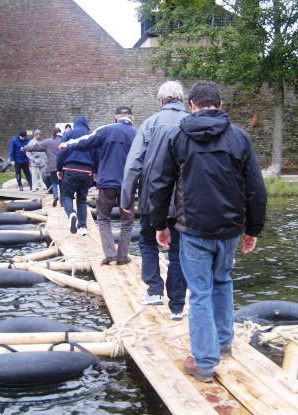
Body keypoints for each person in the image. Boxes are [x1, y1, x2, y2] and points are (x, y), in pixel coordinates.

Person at [148, 81, 267, 382]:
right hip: (229, 231)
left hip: (193, 230)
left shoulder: (179, 138)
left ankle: (203, 361)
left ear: (192, 105)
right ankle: (224, 343)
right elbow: (256, 189)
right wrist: (252, 229)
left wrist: (159, 225)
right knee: (223, 281)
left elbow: (160, 185)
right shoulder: (239, 138)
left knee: (200, 293)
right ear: (220, 104)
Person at [120, 81, 189, 320]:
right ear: (182, 100)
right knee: (178, 249)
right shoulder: (191, 123)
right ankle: (178, 305)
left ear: (160, 101)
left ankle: (154, 290)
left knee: (148, 242)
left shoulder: (150, 124)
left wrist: (126, 199)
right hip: (184, 200)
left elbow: (133, 165)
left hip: (152, 196)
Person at [61, 106, 136, 265]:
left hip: (107, 182)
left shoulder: (106, 130)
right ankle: (123, 256)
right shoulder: (137, 134)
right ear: (132, 118)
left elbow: (86, 141)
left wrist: (67, 145)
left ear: (115, 118)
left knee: (103, 218)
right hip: (127, 184)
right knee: (127, 221)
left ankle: (110, 253)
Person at [57, 116, 97, 235]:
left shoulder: (68, 134)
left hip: (71, 169)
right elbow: (97, 154)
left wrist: (59, 168)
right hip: (87, 171)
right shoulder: (92, 136)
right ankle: (82, 227)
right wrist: (95, 171)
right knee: (82, 200)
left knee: (67, 196)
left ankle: (71, 214)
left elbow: (61, 152)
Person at [23, 127, 62, 204]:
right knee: (62, 182)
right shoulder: (64, 141)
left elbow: (35, 147)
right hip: (62, 166)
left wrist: (24, 148)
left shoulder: (48, 142)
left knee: (54, 182)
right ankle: (62, 199)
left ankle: (55, 196)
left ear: (52, 133)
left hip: (52, 166)